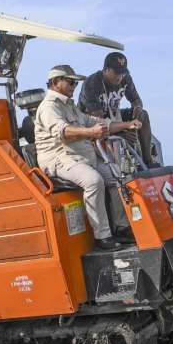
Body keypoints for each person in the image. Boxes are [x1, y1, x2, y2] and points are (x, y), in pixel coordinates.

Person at [35, 65, 142, 251]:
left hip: (80, 157)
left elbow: (97, 123)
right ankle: (103, 236)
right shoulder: (48, 107)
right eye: (70, 82)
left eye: (75, 83)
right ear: (55, 82)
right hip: (59, 159)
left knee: (119, 176)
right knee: (94, 181)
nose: (74, 86)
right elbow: (63, 132)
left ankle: (122, 227)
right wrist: (90, 132)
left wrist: (127, 124)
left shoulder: (69, 106)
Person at [78, 52, 156, 167]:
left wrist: (137, 110)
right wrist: (122, 132)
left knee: (143, 115)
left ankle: (147, 161)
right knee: (106, 125)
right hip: (89, 123)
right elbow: (98, 120)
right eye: (116, 72)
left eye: (123, 73)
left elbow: (136, 100)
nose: (120, 76)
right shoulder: (92, 83)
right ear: (106, 70)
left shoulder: (125, 79)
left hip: (113, 116)